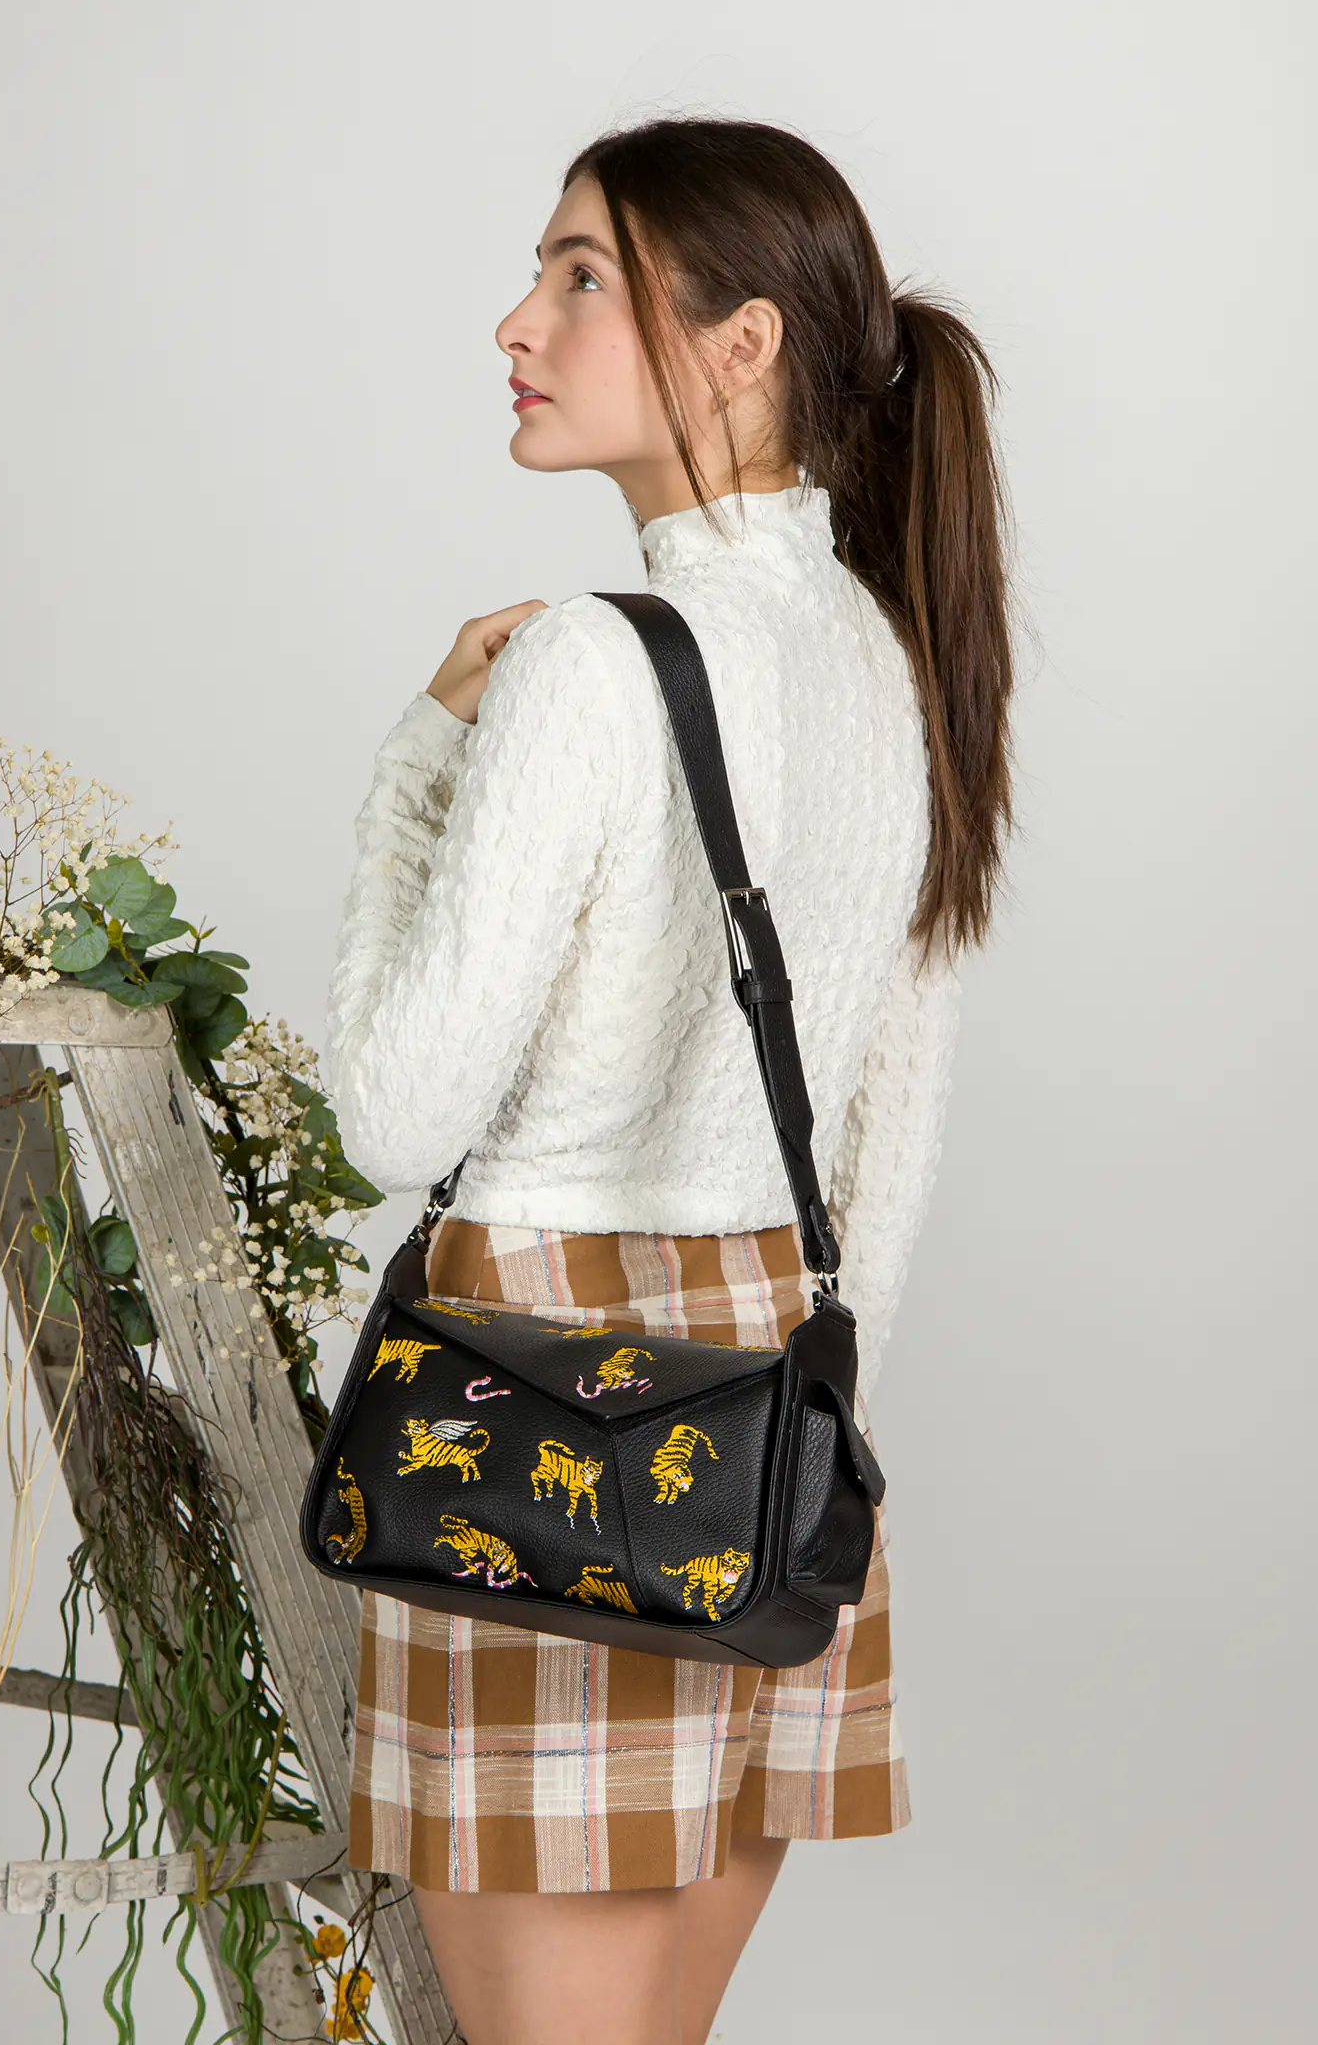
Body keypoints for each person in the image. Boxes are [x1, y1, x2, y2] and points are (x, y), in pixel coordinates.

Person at [322, 113, 1017, 2045]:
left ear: (744, 344)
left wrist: (416, 758)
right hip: (768, 1416)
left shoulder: (587, 666)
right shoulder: (892, 659)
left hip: (528, 1419)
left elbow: (388, 1112)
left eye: (579, 276)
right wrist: (795, 1371)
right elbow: (894, 1122)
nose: (513, 323)